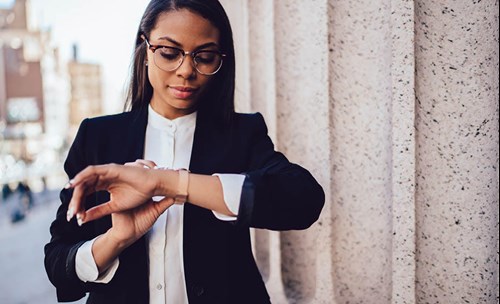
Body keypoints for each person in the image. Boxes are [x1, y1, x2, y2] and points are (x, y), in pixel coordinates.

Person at [44, 0, 325, 303]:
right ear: (145, 50)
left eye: (204, 57)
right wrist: (117, 239)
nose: (186, 71)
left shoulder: (242, 134)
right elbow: (59, 264)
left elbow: (304, 200)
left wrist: (172, 184)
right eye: (169, 53)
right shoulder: (97, 137)